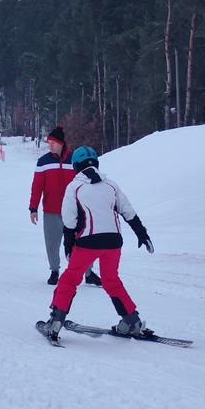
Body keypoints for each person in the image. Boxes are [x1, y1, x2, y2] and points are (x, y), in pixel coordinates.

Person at [39, 146, 154, 341]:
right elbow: (128, 211)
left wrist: (68, 244)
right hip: (114, 242)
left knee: (69, 279)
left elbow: (69, 220)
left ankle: (56, 321)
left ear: (75, 166)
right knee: (111, 280)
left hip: (87, 243)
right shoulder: (111, 185)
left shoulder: (74, 187)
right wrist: (142, 234)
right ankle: (131, 321)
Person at [29, 127, 101, 287]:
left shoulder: (75, 160)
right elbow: (37, 186)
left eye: (53, 142)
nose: (50, 146)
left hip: (75, 210)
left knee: (82, 243)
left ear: (61, 143)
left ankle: (88, 273)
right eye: (49, 142)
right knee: (52, 243)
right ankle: (54, 271)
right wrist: (33, 208)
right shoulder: (43, 162)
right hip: (51, 211)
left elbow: (86, 181)